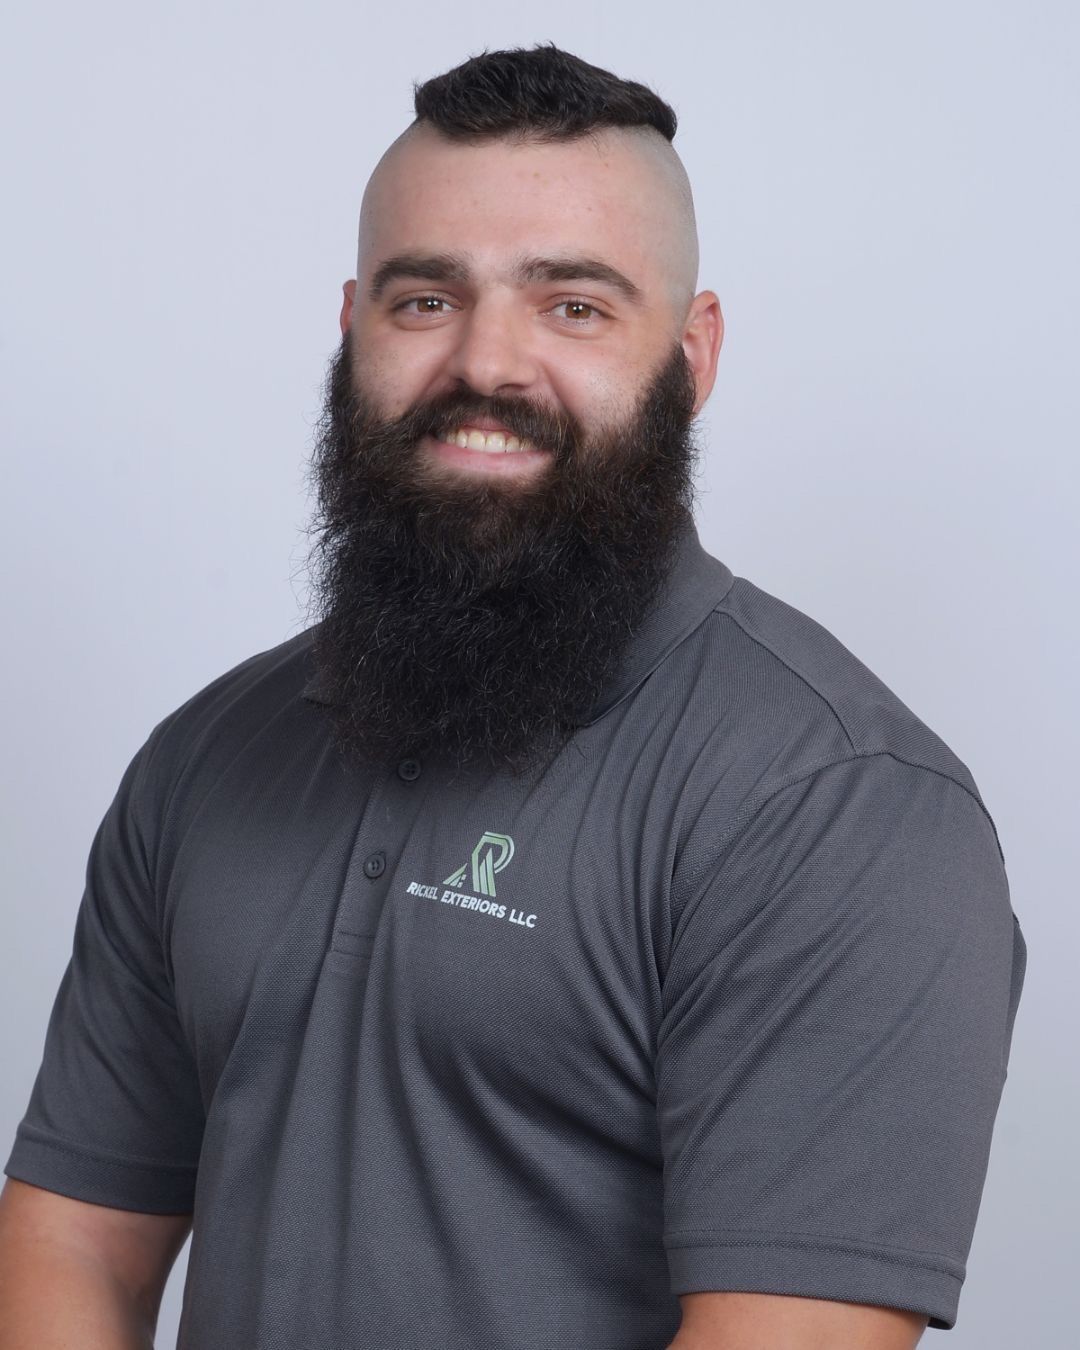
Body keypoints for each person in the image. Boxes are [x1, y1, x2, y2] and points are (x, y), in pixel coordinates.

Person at [0, 43, 1026, 1350]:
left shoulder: (841, 808)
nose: (487, 364)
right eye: (426, 299)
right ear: (353, 328)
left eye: (574, 306)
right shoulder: (206, 756)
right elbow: (74, 1237)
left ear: (693, 355)